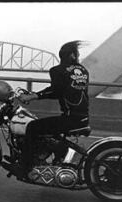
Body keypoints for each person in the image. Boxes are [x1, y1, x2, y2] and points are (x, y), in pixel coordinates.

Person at [11, 40, 90, 179]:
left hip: (70, 119)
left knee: (32, 127)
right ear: (72, 55)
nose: (78, 56)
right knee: (48, 131)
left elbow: (55, 91)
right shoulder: (83, 71)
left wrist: (32, 96)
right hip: (82, 117)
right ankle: (58, 155)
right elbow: (65, 91)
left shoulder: (58, 70)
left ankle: (24, 168)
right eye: (77, 53)